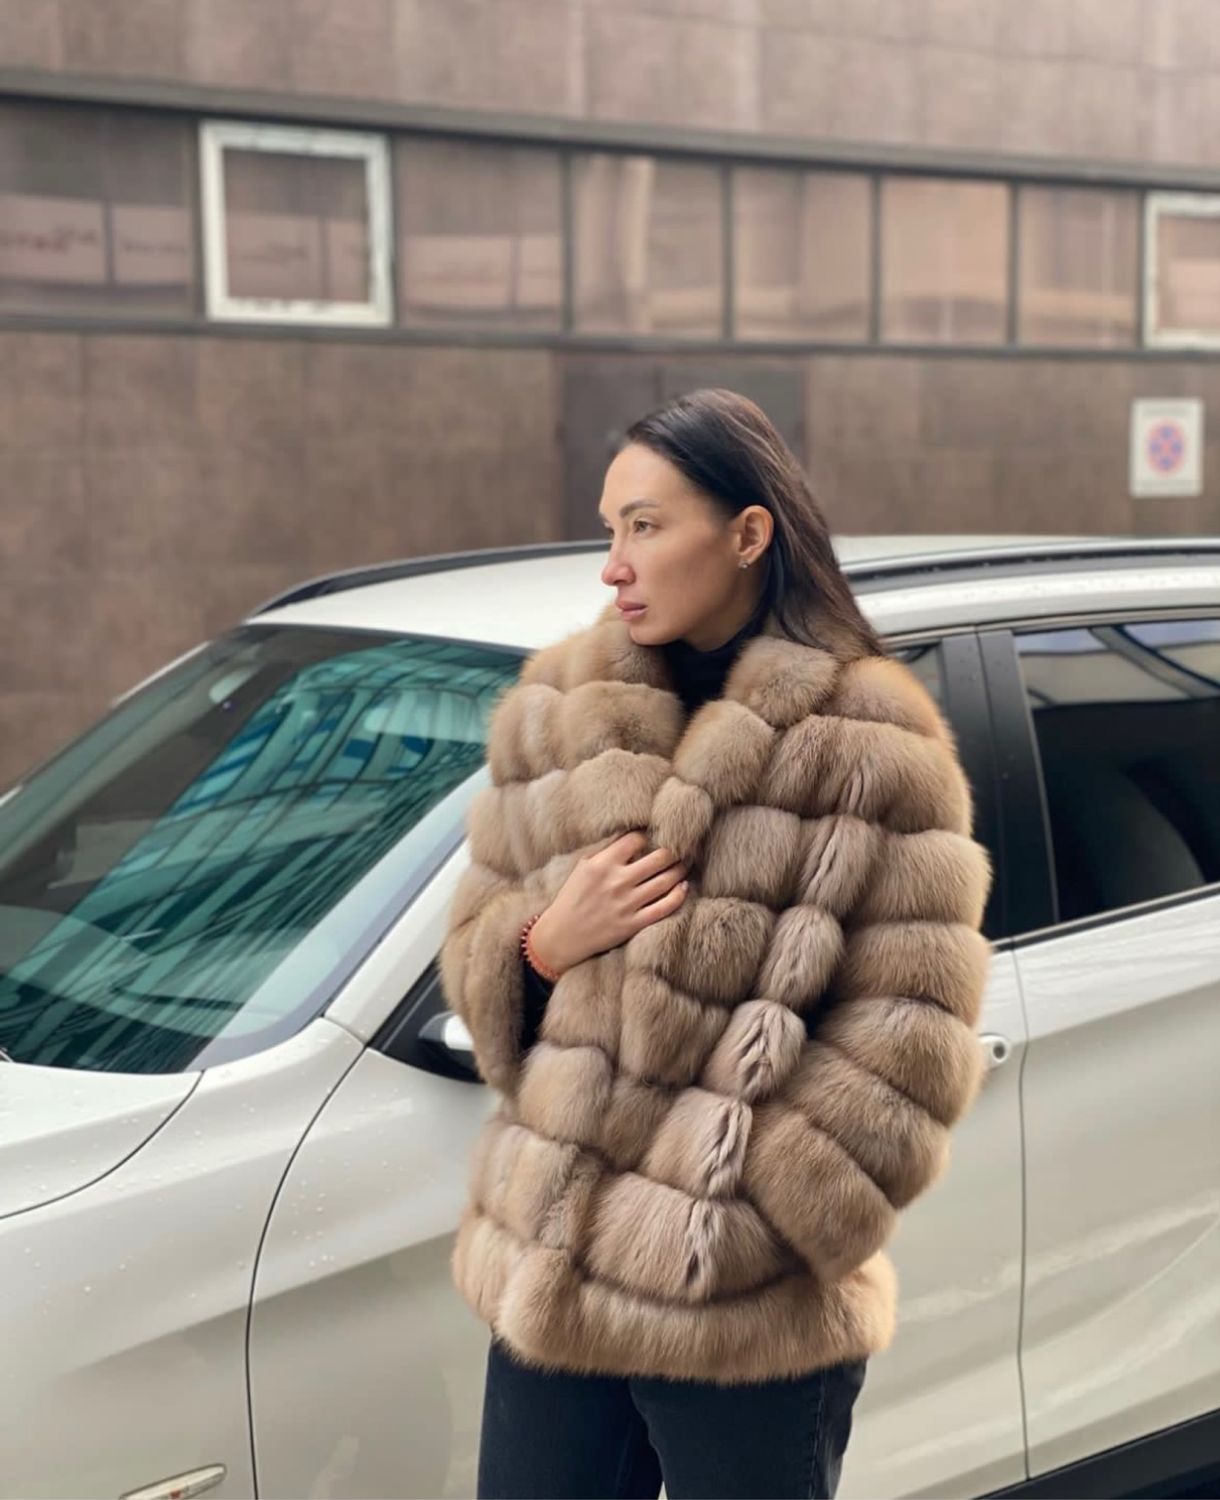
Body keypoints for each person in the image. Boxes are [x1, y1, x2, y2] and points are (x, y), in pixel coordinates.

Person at [440, 388, 994, 1500]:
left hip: (743, 1307)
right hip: (552, 1274)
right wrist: (544, 944)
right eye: (610, 529)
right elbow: (474, 949)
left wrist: (738, 1215)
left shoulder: (871, 744)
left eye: (645, 526)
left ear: (747, 534)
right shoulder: (553, 713)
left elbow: (910, 1038)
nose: (613, 565)